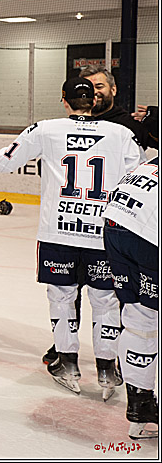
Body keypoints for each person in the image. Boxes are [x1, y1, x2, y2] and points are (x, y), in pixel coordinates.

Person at [0, 77, 143, 398]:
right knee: (105, 302)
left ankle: (68, 363)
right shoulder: (121, 133)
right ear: (95, 101)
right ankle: (106, 369)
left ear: (64, 100)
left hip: (58, 232)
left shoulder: (45, 129)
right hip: (102, 235)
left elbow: (4, 161)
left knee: (61, 298)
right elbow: (136, 176)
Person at [102, 157, 159, 439]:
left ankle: (141, 408)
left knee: (139, 317)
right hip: (148, 234)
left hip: (116, 225)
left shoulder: (152, 161)